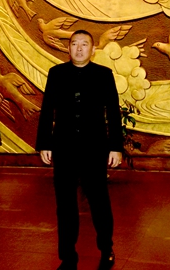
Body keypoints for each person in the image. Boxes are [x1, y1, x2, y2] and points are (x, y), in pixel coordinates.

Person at [36, 29, 123, 270]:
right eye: (74, 44)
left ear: (93, 49)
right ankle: (67, 256)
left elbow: (113, 112)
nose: (79, 48)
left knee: (99, 201)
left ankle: (106, 248)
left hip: (94, 148)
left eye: (84, 44)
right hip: (63, 148)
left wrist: (115, 147)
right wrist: (45, 143)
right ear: (69, 48)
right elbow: (47, 110)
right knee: (65, 205)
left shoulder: (103, 75)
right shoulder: (57, 73)